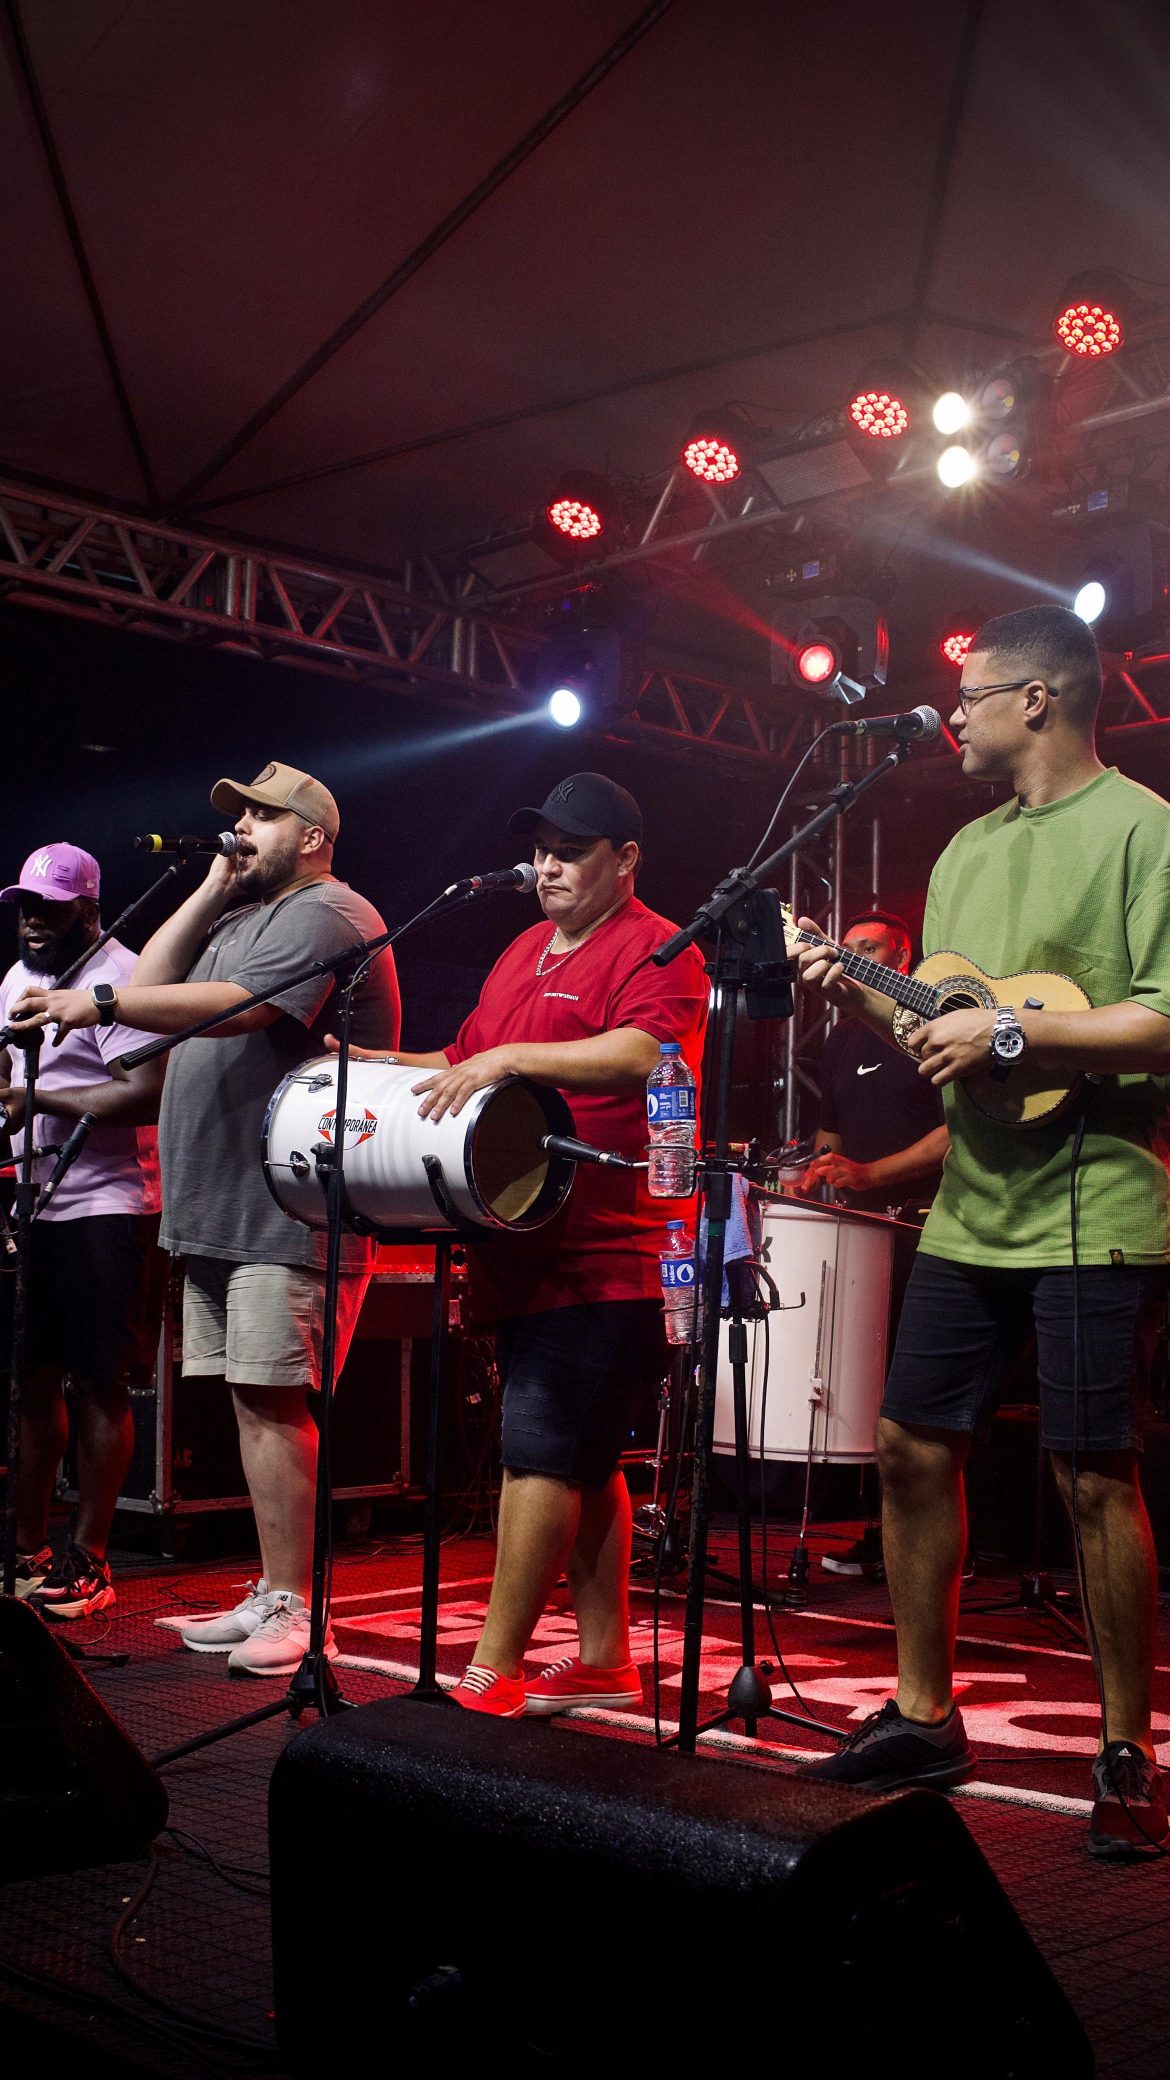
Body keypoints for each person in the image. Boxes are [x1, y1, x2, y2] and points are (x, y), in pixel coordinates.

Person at [796, 605, 1170, 1860]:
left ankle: (1128, 1750)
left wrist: (1008, 1031)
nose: (950, 715)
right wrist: (870, 995)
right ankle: (924, 1710)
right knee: (908, 1446)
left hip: (1092, 1197)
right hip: (973, 1202)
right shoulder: (958, 853)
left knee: (1090, 1474)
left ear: (1040, 702)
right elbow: (944, 1022)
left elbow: (1162, 1017)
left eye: (971, 694)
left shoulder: (1143, 830)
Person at [10, 764, 400, 1676]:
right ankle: (273, 1589)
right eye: (239, 816)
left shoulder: (330, 912)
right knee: (247, 1401)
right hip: (220, 1204)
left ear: (308, 835)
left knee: (273, 1401)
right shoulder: (240, 912)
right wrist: (212, 886)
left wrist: (94, 999)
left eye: (261, 817)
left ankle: (301, 1608)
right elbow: (156, 983)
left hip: (288, 1205)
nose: (242, 829)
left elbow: (241, 1009)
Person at [344, 771, 709, 1717]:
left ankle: (492, 1666)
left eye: (572, 851)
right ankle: (604, 1660)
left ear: (624, 860)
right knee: (584, 1458)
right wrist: (375, 1068)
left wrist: (507, 1058)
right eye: (542, 848)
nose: (548, 866)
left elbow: (646, 1053)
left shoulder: (659, 946)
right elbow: (465, 1064)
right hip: (526, 1243)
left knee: (540, 1452)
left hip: (614, 1248)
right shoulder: (521, 949)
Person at [0, 843, 165, 1618]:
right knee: (31, 1381)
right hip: (35, 1201)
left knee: (98, 1382)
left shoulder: (125, 976)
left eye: (51, 908)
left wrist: (42, 1106)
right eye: (26, 906)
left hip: (108, 1202)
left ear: (89, 908)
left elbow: (143, 1096)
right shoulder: (16, 979)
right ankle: (27, 1549)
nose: (33, 921)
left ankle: (90, 1559)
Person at [796, 908, 949, 1576]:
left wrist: (870, 1174)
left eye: (866, 949)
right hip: (862, 1236)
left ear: (900, 958)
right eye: (845, 947)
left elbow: (958, 1133)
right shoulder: (839, 1040)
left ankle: (931, 1545)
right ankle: (886, 1537)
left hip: (925, 1225)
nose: (850, 957)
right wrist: (818, 1171)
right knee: (876, 1396)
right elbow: (831, 1133)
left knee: (919, 1402)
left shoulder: (931, 1030)